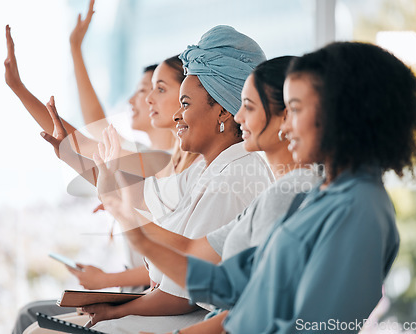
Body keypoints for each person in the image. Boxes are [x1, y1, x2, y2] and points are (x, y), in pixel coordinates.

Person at [95, 41, 416, 333]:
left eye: (295, 110)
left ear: (342, 113)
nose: (288, 124)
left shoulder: (360, 210)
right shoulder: (316, 195)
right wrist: (134, 230)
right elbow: (228, 284)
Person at [23, 25, 272, 334]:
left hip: (188, 320)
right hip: (170, 309)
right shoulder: (204, 171)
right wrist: (68, 153)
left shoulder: (233, 180)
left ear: (222, 112)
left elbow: (185, 293)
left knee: (37, 330)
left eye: (185, 104)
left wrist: (118, 309)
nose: (178, 116)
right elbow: (138, 196)